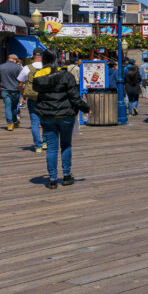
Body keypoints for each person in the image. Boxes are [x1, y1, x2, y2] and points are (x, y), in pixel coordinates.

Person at [32, 49, 90, 189]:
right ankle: (66, 175)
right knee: (66, 145)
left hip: (47, 115)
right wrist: (85, 108)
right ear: (59, 59)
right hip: (65, 115)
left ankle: (52, 179)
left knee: (51, 148)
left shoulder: (38, 75)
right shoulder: (66, 75)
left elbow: (35, 91)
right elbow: (74, 97)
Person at [17, 49, 46, 152]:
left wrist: (23, 94)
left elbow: (20, 83)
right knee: (46, 121)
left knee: (34, 122)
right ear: (43, 56)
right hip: (45, 98)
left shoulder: (27, 68)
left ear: (33, 55)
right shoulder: (47, 67)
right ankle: (45, 143)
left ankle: (38, 146)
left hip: (32, 97)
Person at [0, 54, 23, 131]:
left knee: (7, 106)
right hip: (15, 90)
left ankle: (10, 123)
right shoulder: (18, 68)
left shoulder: (0, 67)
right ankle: (14, 121)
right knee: (14, 107)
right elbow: (21, 79)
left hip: (5, 89)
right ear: (14, 59)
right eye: (17, 60)